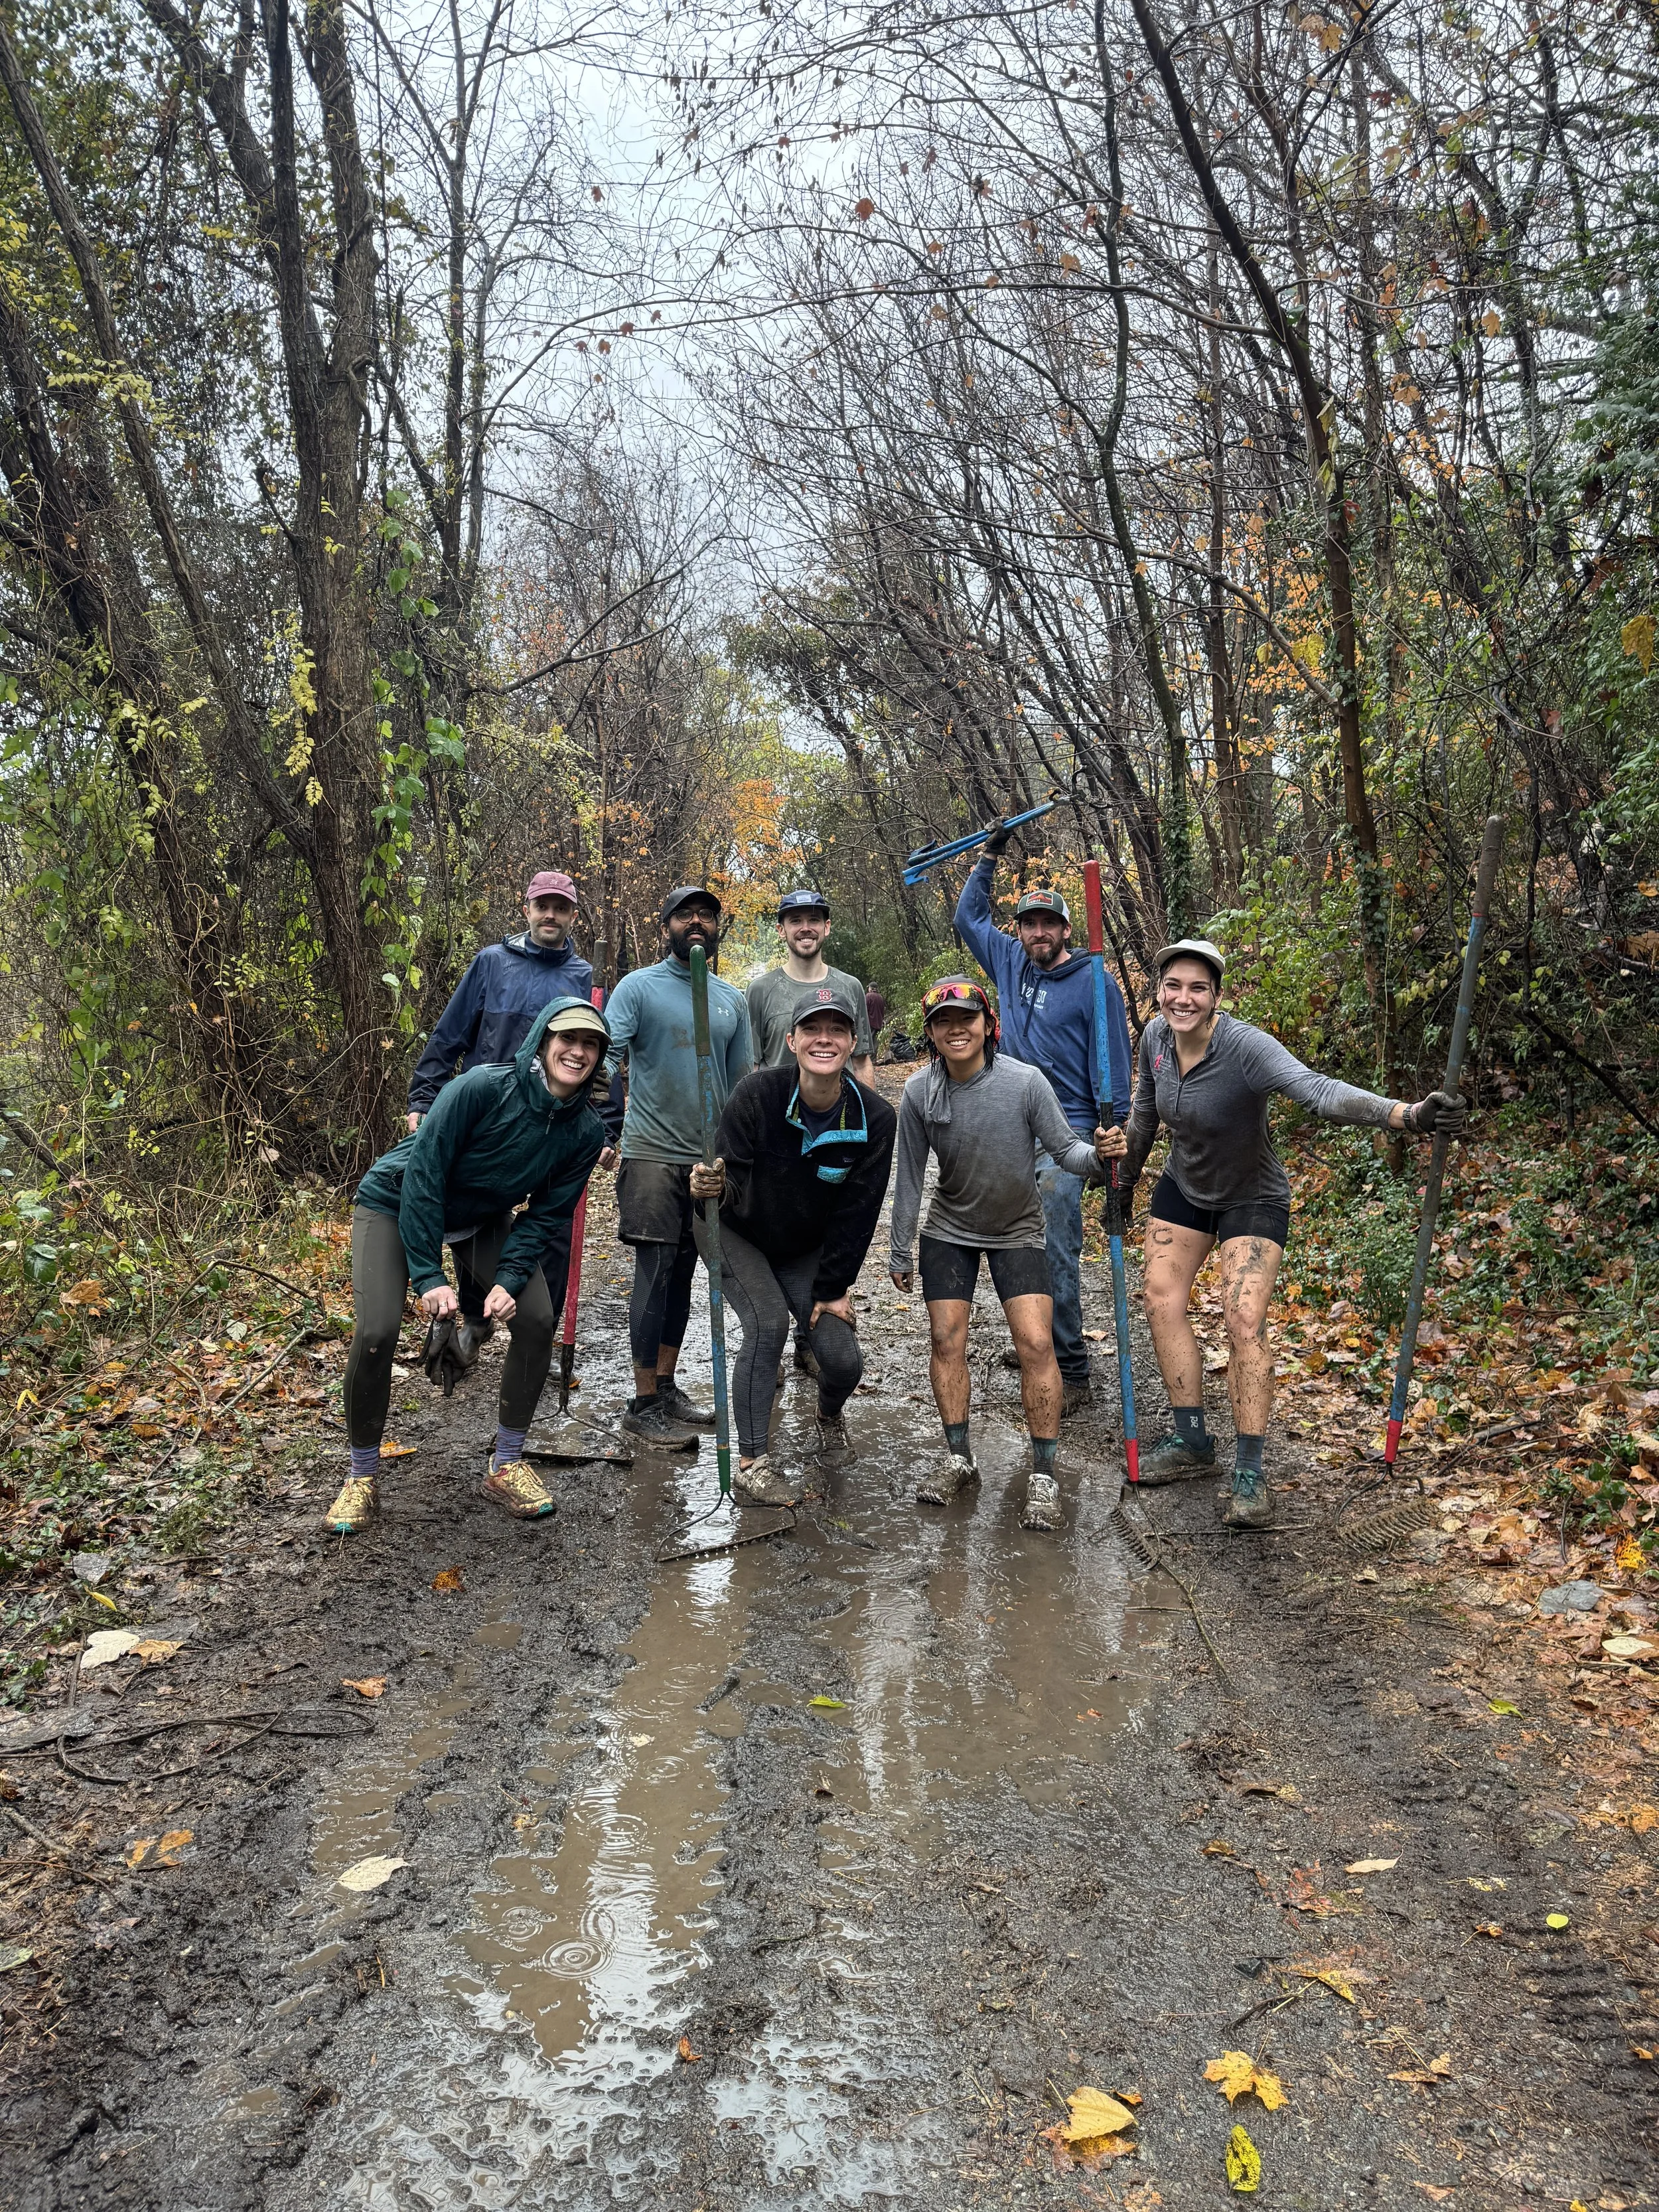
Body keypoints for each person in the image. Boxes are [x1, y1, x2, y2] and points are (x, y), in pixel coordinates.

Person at [1099, 940, 1468, 1530]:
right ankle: (1192, 1441)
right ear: (1160, 990)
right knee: (1160, 1299)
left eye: (1198, 988)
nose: (1184, 998)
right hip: (1186, 1187)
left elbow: (1318, 1091)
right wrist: (1123, 1185)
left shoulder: (1245, 1048)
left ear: (1217, 996)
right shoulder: (1155, 1040)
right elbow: (1144, 1113)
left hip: (1253, 1194)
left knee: (1242, 1316)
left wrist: (1408, 1115)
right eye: (1174, 986)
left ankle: (1250, 1472)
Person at [328, 995, 612, 1534]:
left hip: (481, 1216)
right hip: (396, 1199)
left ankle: (506, 1462)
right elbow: (425, 1176)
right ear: (544, 1043)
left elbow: (545, 1215)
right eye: (567, 1039)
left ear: (601, 1058)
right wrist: (430, 1276)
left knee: (534, 1317)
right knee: (378, 1328)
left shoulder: (585, 1133)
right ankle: (361, 1475)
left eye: (590, 1044)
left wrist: (508, 1278)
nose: (577, 1052)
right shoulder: (482, 1087)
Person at [889, 978, 1119, 1534]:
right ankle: (959, 1457)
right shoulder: (920, 1092)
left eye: (966, 1018)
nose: (956, 1029)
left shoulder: (1025, 1082)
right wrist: (900, 1248)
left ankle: (1044, 1472)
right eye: (943, 1022)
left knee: (1037, 1342)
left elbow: (1066, 1150)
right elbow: (911, 1178)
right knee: (946, 1338)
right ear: (931, 1034)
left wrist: (1103, 1154)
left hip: (1018, 1227)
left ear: (988, 1025)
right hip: (950, 1227)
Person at [687, 978, 897, 1506]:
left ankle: (828, 1416)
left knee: (843, 1359)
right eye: (812, 1029)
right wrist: (707, 1186)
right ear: (791, 1039)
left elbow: (858, 1214)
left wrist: (833, 1288)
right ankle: (753, 1462)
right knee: (767, 1323)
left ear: (853, 1042)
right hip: (734, 1231)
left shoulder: (875, 1118)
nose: (823, 1039)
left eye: (837, 1030)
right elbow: (724, 1184)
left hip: (803, 1246)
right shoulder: (756, 1096)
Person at [954, 835, 1132, 1416]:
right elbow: (967, 916)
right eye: (1028, 924)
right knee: (1011, 1237)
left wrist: (1116, 1144)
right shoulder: (1008, 960)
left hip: (1072, 1128)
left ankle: (1073, 1366)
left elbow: (1116, 1071)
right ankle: (1038, 1343)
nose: (1037, 934)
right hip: (1013, 1121)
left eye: (1046, 925)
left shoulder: (1094, 980)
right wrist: (988, 858)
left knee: (1056, 1242)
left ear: (1064, 929)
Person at [406, 869, 613, 1367]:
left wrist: (608, 1124)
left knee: (552, 1229)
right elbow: (450, 1033)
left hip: (556, 1130)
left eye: (560, 907)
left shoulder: (583, 977)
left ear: (571, 916)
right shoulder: (491, 963)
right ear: (526, 909)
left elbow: (597, 1054)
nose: (550, 914)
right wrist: (424, 1095)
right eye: (542, 905)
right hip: (487, 1123)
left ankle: (534, 1335)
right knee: (473, 1222)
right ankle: (474, 1319)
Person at [604, 886, 753, 1444]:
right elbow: (606, 1056)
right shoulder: (637, 987)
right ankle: (642, 1402)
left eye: (706, 915)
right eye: (685, 914)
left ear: (717, 928)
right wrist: (598, 1123)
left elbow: (740, 1087)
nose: (697, 922)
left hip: (706, 1162)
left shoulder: (729, 999)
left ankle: (666, 1385)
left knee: (687, 1275)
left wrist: (734, 1159)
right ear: (665, 925)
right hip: (649, 1155)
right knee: (655, 1270)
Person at [747, 890, 875, 1082]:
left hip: (841, 1109)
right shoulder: (760, 990)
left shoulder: (851, 986)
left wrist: (868, 1111)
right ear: (781, 930)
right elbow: (752, 1066)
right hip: (777, 1110)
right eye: (796, 921)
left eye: (814, 920)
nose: (806, 928)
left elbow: (861, 1063)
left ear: (827, 927)